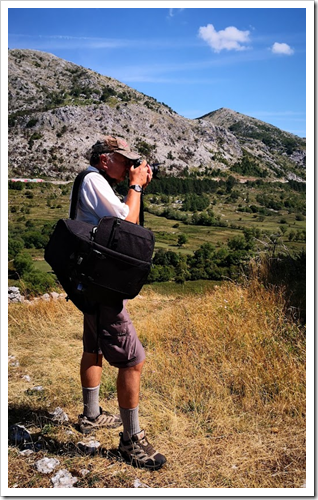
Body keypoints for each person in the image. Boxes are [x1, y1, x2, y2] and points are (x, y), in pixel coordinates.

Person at [73, 136, 166, 471]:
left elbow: (128, 225)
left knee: (94, 347)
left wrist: (134, 188)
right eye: (122, 160)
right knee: (132, 360)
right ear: (103, 159)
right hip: (102, 288)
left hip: (91, 281)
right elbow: (128, 225)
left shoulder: (93, 179)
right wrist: (136, 186)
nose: (128, 166)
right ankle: (131, 441)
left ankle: (92, 415)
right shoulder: (95, 180)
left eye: (131, 162)